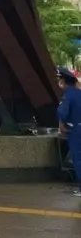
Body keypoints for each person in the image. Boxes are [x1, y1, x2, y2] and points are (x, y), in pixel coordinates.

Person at [58, 66, 81, 194]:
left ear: (63, 81)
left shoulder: (68, 95)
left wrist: (62, 125)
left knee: (78, 159)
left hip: (76, 130)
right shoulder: (80, 93)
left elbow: (62, 112)